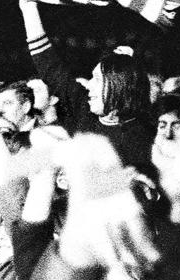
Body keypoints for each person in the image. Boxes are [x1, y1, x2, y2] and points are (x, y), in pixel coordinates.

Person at [19, 0, 155, 167]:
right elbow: (49, 65)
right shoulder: (84, 109)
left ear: (119, 84)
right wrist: (28, 9)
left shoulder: (141, 139)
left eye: (97, 79)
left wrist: (132, 67)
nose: (89, 86)